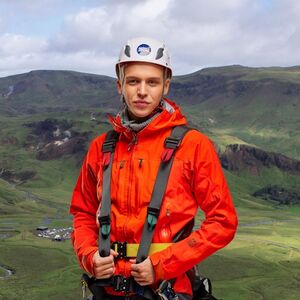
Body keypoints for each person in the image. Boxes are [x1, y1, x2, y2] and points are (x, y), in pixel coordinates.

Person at [70, 37, 238, 299]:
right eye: (133, 81)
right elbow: (82, 213)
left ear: (166, 86)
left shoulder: (193, 145)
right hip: (106, 289)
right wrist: (89, 256)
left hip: (165, 289)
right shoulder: (101, 147)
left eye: (152, 82)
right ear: (120, 85)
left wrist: (163, 265)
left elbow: (223, 223)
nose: (142, 91)